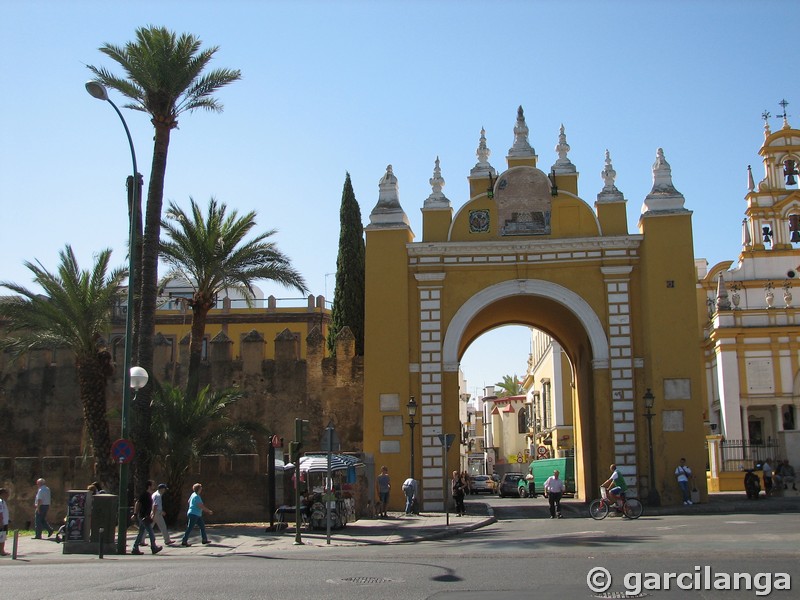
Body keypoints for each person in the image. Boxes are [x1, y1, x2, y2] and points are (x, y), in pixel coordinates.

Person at [131, 480, 161, 555]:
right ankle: (153, 547)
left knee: (141, 533)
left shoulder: (149, 495)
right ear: (149, 486)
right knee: (151, 532)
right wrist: (135, 514)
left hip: (144, 516)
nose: (154, 486)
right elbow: (138, 503)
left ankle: (135, 548)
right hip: (143, 516)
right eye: (153, 485)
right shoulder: (145, 494)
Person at [0, 488, 10, 556]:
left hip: (4, 521)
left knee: (2, 537)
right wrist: (1, 522)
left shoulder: (3, 501)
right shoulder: (0, 501)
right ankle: (2, 551)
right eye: (6, 493)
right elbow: (0, 513)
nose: (7, 495)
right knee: (2, 537)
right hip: (2, 522)